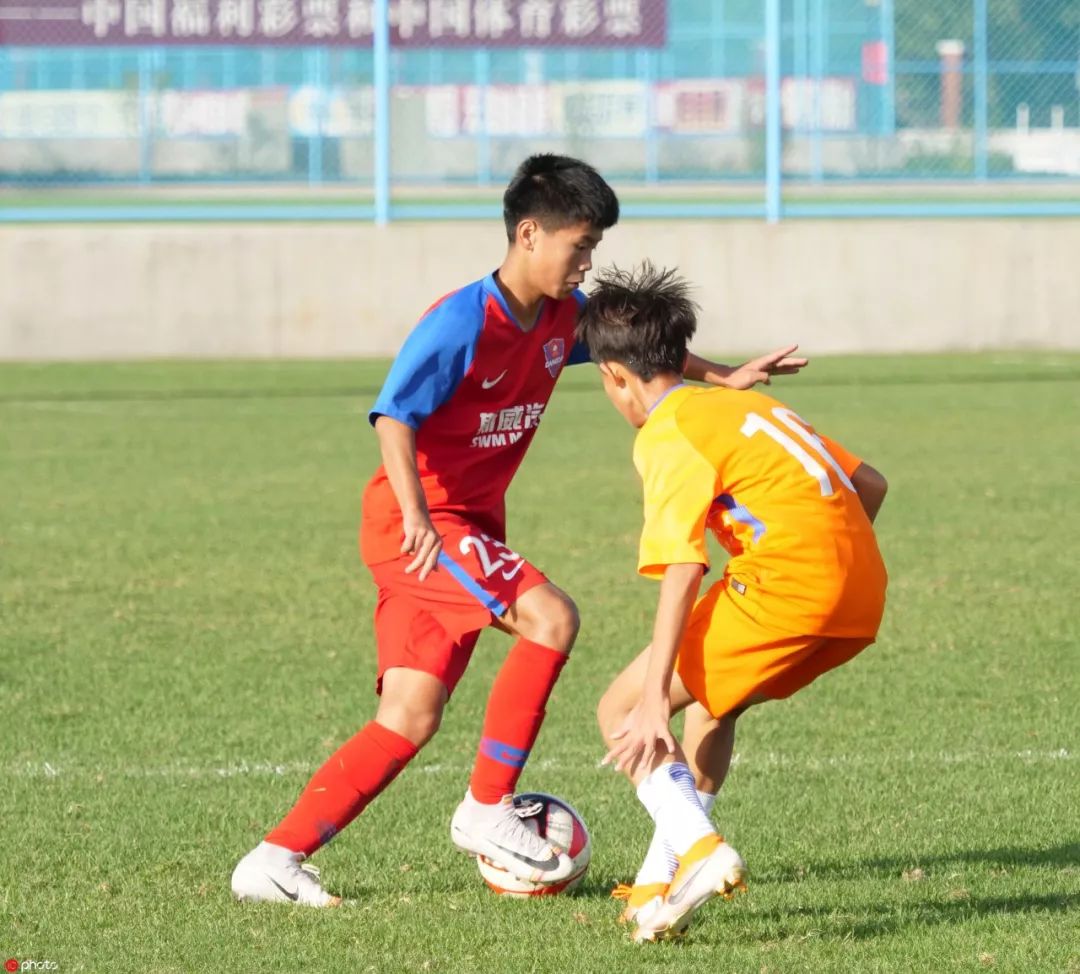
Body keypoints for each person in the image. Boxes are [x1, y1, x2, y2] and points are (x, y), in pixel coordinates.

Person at [231, 156, 807, 907]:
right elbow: (393, 418)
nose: (587, 262)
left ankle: (274, 859)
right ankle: (487, 808)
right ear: (529, 234)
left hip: (464, 527)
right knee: (552, 616)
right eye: (579, 244)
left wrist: (721, 375)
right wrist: (415, 518)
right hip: (425, 527)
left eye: (594, 245)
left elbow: (634, 351)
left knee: (409, 716)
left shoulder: (565, 318)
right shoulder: (460, 321)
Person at [576, 262, 888, 943]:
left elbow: (685, 564)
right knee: (715, 706)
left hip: (784, 591)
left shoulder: (667, 433)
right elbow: (872, 484)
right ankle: (659, 884)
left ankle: (701, 848)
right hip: (861, 596)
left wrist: (655, 694)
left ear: (615, 376)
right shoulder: (751, 404)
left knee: (624, 711)